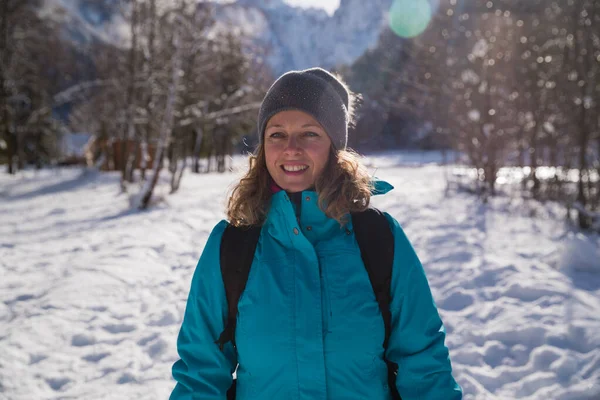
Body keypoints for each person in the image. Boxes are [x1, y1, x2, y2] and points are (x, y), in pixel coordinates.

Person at [170, 67, 462, 399]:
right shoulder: (231, 246)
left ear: (334, 148)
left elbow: (423, 362)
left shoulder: (379, 239)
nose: (291, 148)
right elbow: (200, 374)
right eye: (277, 134)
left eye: (309, 133)